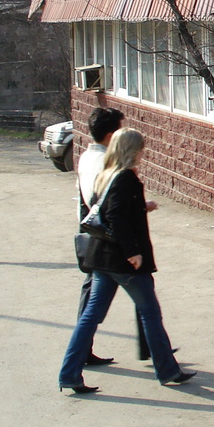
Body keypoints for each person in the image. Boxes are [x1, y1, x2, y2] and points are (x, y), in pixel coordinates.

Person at [58, 128, 193, 394]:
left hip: (103, 258)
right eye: (142, 147)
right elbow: (116, 217)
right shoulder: (125, 178)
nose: (145, 152)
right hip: (124, 262)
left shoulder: (107, 175)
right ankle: (167, 370)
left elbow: (110, 211)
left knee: (90, 317)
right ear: (133, 150)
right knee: (150, 314)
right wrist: (133, 251)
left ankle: (69, 373)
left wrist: (143, 207)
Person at [74, 107, 149, 367]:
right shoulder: (107, 164)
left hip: (102, 235)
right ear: (110, 135)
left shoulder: (88, 156)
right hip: (108, 240)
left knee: (138, 294)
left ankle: (151, 345)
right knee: (101, 300)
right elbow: (107, 207)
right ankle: (80, 352)